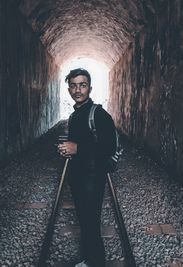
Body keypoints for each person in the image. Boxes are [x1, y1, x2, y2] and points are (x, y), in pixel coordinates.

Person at [58, 68, 116, 267]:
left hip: (93, 178)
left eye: (82, 85)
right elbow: (78, 146)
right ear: (68, 89)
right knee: (84, 220)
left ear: (90, 88)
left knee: (91, 223)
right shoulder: (75, 116)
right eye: (73, 85)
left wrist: (77, 148)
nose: (78, 90)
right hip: (78, 177)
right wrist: (68, 150)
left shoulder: (98, 114)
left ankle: (97, 262)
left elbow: (109, 147)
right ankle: (89, 259)